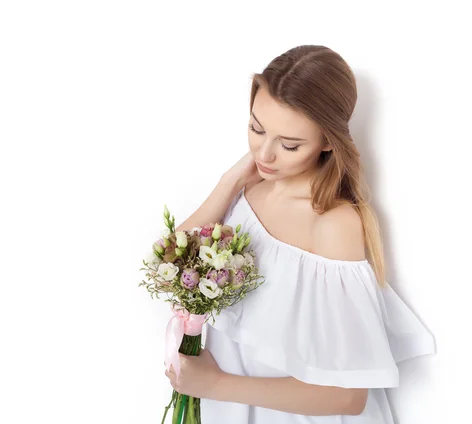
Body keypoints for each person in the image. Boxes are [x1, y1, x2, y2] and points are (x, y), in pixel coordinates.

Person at [164, 45, 436, 423]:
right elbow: (172, 261)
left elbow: (347, 396)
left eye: (290, 144)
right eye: (256, 128)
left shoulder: (333, 225)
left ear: (328, 141)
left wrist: (213, 385)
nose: (265, 153)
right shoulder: (250, 190)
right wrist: (229, 183)